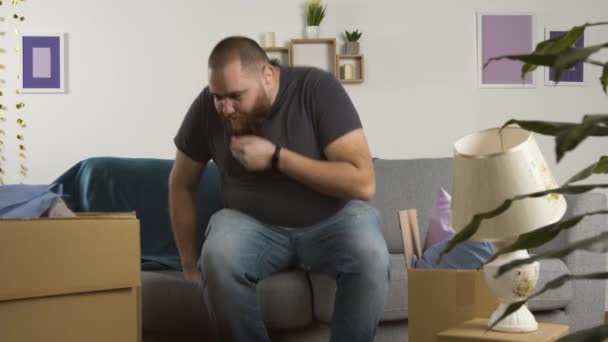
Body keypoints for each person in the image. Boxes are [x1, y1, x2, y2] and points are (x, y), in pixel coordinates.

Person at [169, 36, 389, 342]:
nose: (225, 108)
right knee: (218, 255)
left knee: (371, 255)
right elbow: (182, 182)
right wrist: (189, 263)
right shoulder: (209, 108)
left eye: (235, 96)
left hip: (331, 220)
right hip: (251, 226)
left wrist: (277, 157)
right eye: (218, 96)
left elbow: (363, 183)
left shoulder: (317, 90)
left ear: (267, 74)